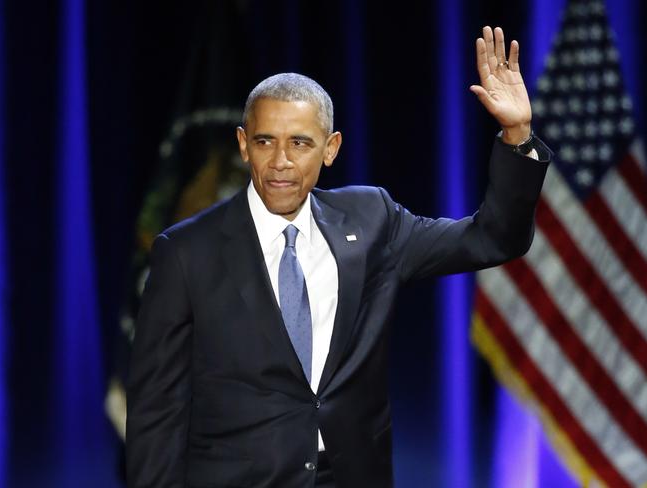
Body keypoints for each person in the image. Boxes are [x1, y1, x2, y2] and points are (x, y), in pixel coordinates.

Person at [126, 26, 552, 488]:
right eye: (266, 141)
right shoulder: (187, 252)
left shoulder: (371, 221)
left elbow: (492, 239)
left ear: (331, 149)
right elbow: (156, 412)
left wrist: (517, 134)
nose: (281, 161)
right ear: (243, 144)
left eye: (301, 143)